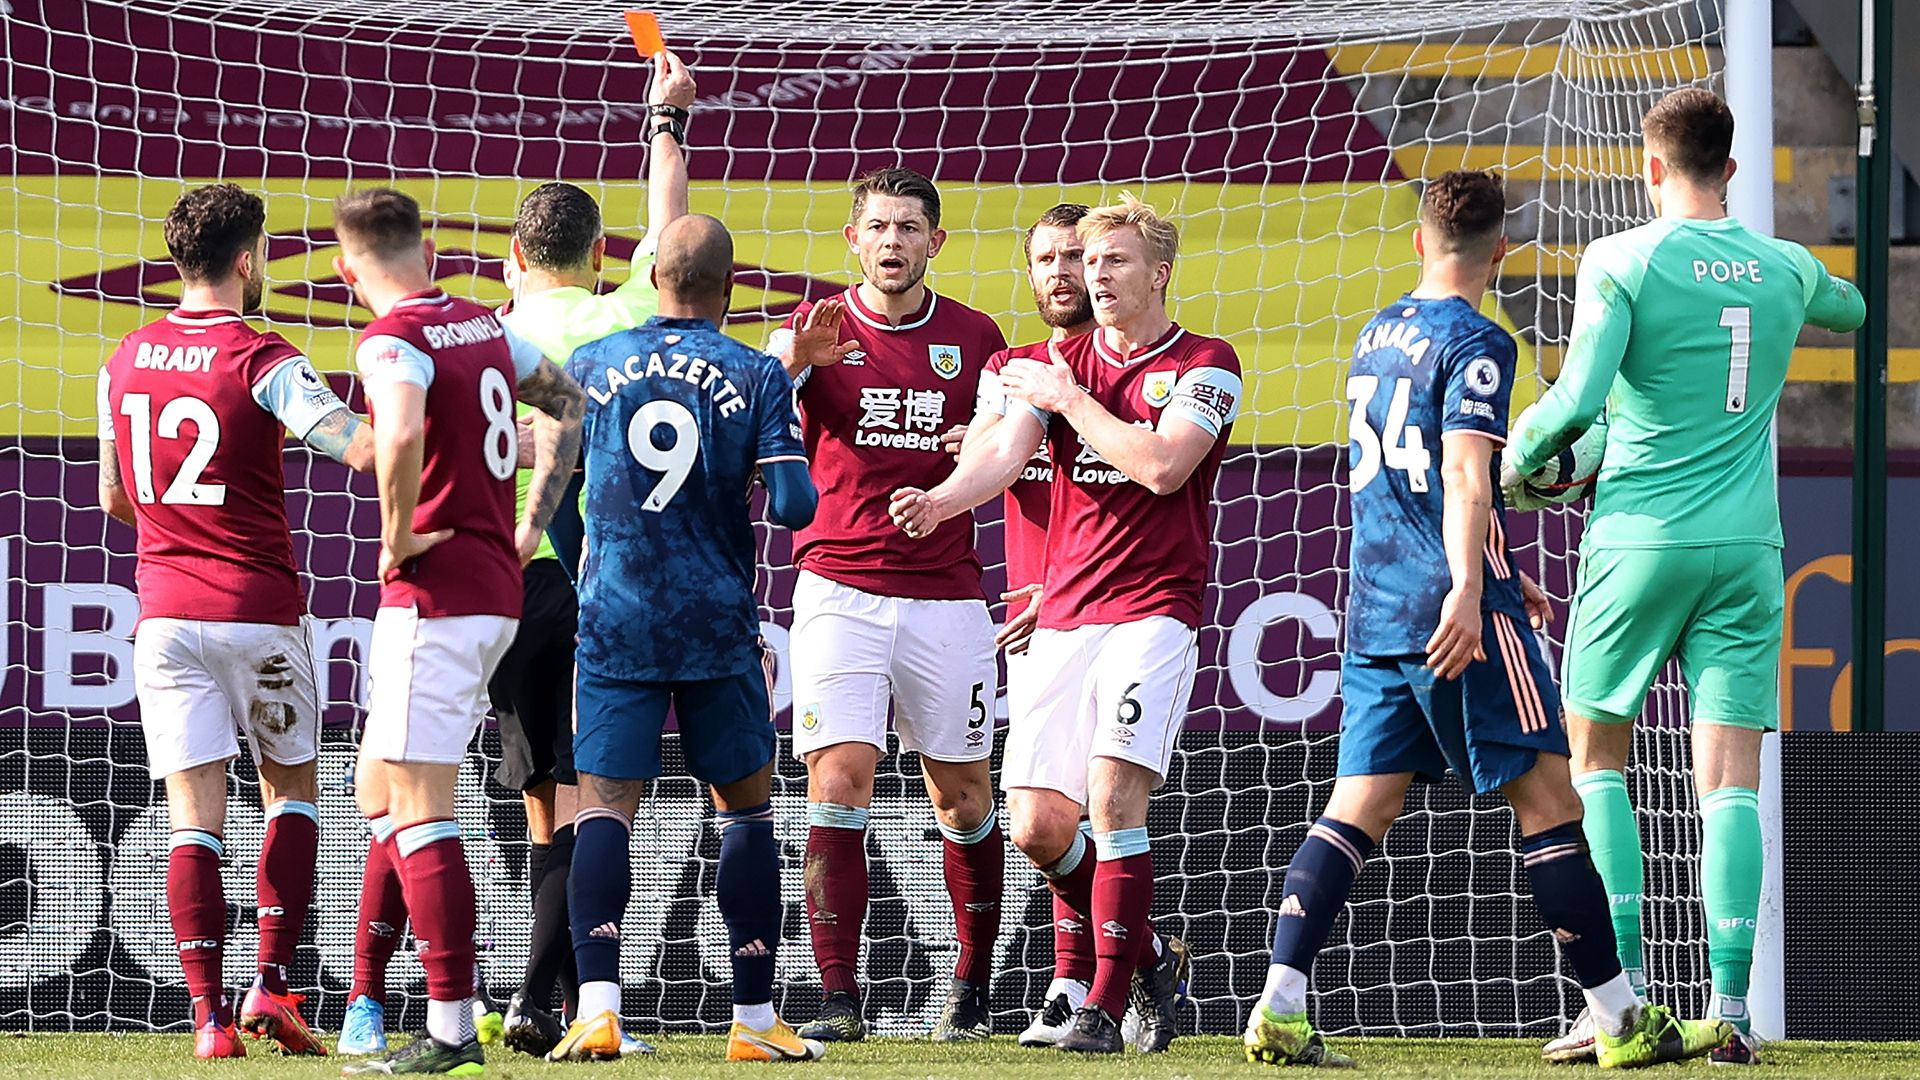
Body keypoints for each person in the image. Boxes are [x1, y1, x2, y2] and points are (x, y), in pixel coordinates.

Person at [1230, 169, 1730, 1068]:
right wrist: (1471, 586)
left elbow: (1418, 479)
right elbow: (1464, 475)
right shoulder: (1481, 341)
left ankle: (1280, 1004)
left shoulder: (1376, 332)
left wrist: (1503, 570)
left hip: (1377, 602)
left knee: (1361, 805)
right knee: (1549, 799)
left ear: (1420, 240)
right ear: (1502, 251)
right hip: (1451, 607)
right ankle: (1621, 1017)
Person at [1507, 89, 1866, 1066]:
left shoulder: (1623, 258)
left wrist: (1508, 465)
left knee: (1597, 760)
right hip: (1750, 547)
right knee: (1730, 784)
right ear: (1735, 168)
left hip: (1640, 537)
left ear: (1650, 166)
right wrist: (1793, 288)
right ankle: (1734, 1013)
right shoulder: (1786, 267)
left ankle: (1619, 1009)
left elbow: (1577, 399)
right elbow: (1856, 305)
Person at [888, 194, 1223, 1053]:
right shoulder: (1046, 364)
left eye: (1113, 261)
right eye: (1089, 260)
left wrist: (1071, 398)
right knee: (1037, 826)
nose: (1096, 276)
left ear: (1159, 273)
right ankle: (1150, 957)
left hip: (1155, 609)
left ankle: (1102, 1008)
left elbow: (1158, 466)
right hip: (1065, 612)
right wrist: (943, 498)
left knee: (1112, 800)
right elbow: (1002, 451)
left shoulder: (1205, 363)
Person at [96, 182, 373, 1061]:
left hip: (167, 618)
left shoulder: (123, 358)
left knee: (192, 820)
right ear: (248, 261)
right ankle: (275, 983)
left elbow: (113, 497)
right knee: (291, 793)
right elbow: (352, 445)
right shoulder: (265, 358)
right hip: (258, 611)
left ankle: (210, 1020)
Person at [542, 213, 823, 1063]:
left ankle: (597, 1010)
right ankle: (753, 1018)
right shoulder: (756, 371)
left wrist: (583, 558)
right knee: (745, 809)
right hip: (715, 621)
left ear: (650, 272)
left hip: (616, 615)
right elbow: (795, 508)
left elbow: (553, 494)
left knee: (604, 808)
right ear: (731, 289)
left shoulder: (589, 364)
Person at [332, 187, 585, 1076]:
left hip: (434, 594)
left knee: (418, 805)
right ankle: (433, 992)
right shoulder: (482, 327)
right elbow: (569, 401)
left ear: (343, 266)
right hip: (497, 588)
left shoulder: (390, 337)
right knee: (377, 790)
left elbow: (395, 433)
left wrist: (397, 533)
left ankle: (447, 1020)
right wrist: (533, 521)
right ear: (426, 248)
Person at [767, 167, 1009, 1042]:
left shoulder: (977, 338)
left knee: (964, 799)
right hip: (838, 586)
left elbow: (1016, 443)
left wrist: (974, 439)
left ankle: (972, 986)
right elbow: (748, 406)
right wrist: (797, 361)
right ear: (853, 239)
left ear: (935, 242)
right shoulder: (816, 327)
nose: (894, 242)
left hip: (947, 592)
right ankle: (838, 996)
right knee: (838, 781)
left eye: (910, 228)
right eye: (879, 227)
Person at [964, 203, 1107, 1047]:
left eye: (1078, 256)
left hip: (1115, 605)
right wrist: (964, 449)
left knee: (1106, 808)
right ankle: (1079, 973)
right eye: (1047, 258)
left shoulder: (1138, 371)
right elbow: (990, 450)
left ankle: (1094, 980)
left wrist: (1065, 579)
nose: (1063, 272)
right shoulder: (1013, 367)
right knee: (1050, 813)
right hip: (1034, 616)